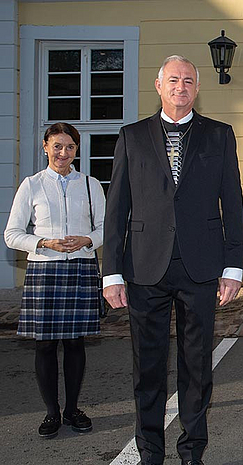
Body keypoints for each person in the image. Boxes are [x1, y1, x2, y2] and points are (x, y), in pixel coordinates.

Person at [102, 55, 243, 465]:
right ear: (158, 85)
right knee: (147, 368)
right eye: (173, 80)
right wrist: (112, 272)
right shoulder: (132, 136)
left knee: (197, 366)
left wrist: (233, 266)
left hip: (201, 267)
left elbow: (232, 202)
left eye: (188, 81)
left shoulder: (219, 135)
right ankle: (150, 452)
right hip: (145, 267)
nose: (180, 86)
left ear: (197, 89)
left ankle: (192, 451)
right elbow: (117, 210)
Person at [4, 122, 104, 439]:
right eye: (57, 145)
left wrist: (87, 240)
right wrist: (43, 243)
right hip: (44, 271)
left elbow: (107, 229)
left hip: (80, 268)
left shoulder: (90, 185)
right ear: (45, 147)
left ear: (77, 150)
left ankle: (72, 409)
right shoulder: (31, 185)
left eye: (70, 146)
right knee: (45, 345)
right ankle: (51, 413)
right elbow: (11, 235)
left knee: (75, 344)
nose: (63, 152)